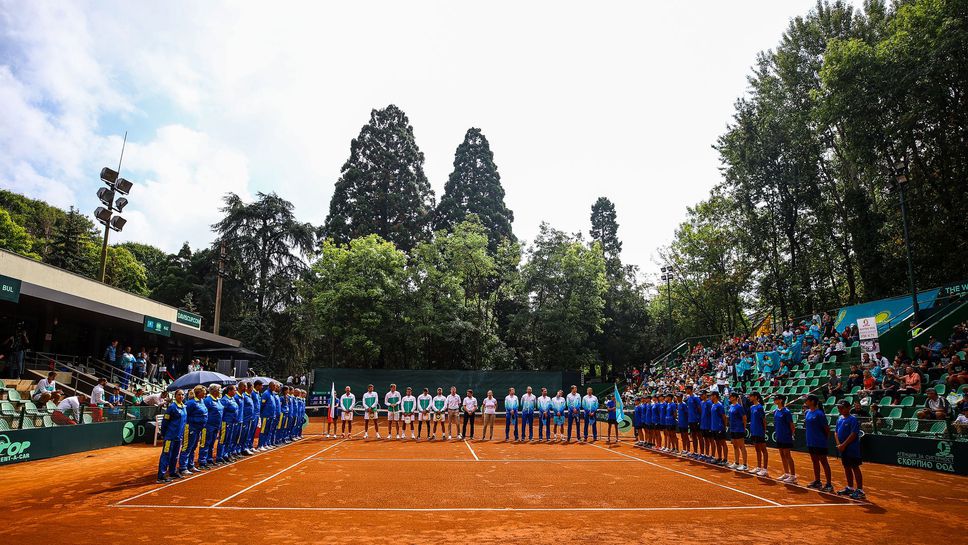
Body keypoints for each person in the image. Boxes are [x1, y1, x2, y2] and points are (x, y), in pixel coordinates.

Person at [834, 399, 865, 500]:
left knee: (855, 467)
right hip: (843, 449)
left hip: (852, 448)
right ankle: (850, 487)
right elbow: (836, 432)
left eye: (842, 407)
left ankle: (860, 490)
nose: (840, 409)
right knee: (847, 467)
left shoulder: (853, 419)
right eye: (838, 407)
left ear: (848, 408)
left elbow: (854, 434)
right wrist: (839, 445)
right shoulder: (839, 419)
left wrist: (843, 445)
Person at [803, 394, 834, 492]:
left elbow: (827, 429)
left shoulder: (820, 414)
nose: (805, 402)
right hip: (811, 441)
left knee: (824, 462)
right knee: (814, 461)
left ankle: (829, 484)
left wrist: (823, 440)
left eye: (807, 400)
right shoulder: (807, 412)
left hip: (820, 442)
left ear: (812, 402)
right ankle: (817, 481)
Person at [157, 389, 187, 483]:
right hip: (170, 436)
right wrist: (163, 434)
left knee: (175, 455)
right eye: (179, 395)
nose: (181, 396)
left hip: (178, 437)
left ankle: (172, 472)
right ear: (175, 396)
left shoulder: (184, 407)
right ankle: (161, 475)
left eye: (182, 395)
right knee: (166, 455)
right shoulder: (172, 408)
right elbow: (165, 422)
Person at [179, 385, 208, 475]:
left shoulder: (202, 401)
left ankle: (190, 465)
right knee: (187, 447)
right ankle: (183, 467)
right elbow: (185, 415)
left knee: (193, 447)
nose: (205, 394)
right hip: (191, 428)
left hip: (199, 428)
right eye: (203, 392)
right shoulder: (190, 403)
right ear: (198, 393)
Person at [773, 394, 797, 484]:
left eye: (776, 399)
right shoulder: (776, 411)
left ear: (781, 400)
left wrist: (792, 434)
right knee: (782, 455)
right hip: (779, 436)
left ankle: (793, 475)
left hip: (786, 436)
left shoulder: (786, 412)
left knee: (787, 455)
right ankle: (786, 473)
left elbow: (791, 425)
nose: (774, 400)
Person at [199, 385, 223, 468]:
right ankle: (202, 461)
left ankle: (209, 459)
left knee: (212, 443)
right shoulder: (208, 400)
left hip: (216, 425)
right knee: (206, 443)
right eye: (219, 390)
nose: (220, 392)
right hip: (208, 426)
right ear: (214, 391)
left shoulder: (218, 400)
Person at [747, 392, 768, 477]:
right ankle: (759, 467)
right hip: (754, 431)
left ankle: (765, 469)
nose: (749, 397)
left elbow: (764, 420)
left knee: (763, 450)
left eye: (751, 396)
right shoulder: (752, 407)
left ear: (755, 397)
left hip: (760, 431)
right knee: (757, 450)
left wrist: (764, 431)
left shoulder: (760, 407)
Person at [217, 385, 240, 463]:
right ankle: (220, 456)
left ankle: (226, 454)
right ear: (229, 391)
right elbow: (222, 412)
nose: (235, 391)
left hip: (232, 422)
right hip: (225, 422)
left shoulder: (232, 398)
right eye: (234, 390)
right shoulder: (224, 400)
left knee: (229, 439)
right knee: (223, 439)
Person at [727, 392, 748, 471]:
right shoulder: (731, 406)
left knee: (741, 446)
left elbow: (744, 418)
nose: (729, 397)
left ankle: (745, 464)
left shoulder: (739, 407)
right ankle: (736, 462)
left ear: (735, 397)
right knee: (735, 446)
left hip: (739, 429)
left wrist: (743, 428)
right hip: (733, 429)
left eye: (731, 396)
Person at [709, 391, 727, 465]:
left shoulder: (720, 405)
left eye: (711, 396)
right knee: (717, 443)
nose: (710, 397)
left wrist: (724, 427)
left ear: (715, 396)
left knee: (723, 443)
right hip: (714, 427)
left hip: (719, 427)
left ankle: (725, 459)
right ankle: (719, 457)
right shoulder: (713, 405)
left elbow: (724, 417)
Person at [685, 385, 702, 457]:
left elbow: (699, 408)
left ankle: (702, 453)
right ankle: (695, 452)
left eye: (687, 389)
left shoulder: (696, 398)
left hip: (696, 419)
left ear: (690, 389)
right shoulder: (689, 398)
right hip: (691, 420)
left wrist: (699, 418)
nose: (686, 391)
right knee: (693, 436)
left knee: (699, 436)